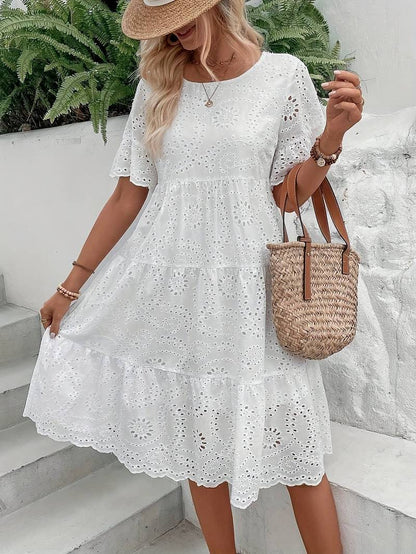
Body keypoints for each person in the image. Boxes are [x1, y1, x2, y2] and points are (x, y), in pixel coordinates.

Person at [24, 1, 364, 553]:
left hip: (255, 285)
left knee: (298, 446)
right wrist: (71, 285)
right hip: (178, 286)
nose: (174, 28)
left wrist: (331, 140)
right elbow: (128, 195)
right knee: (201, 442)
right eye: (162, 19)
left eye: (182, 10)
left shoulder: (283, 75)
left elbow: (286, 197)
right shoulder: (157, 85)